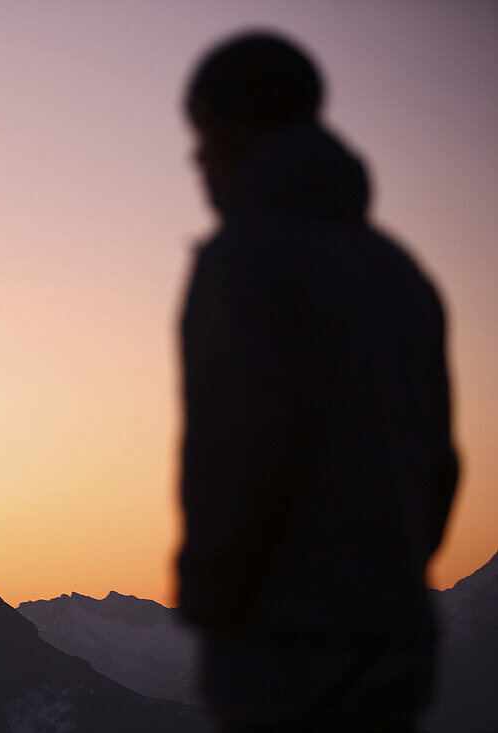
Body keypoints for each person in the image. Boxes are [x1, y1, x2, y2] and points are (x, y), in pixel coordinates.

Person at [176, 32, 458, 731]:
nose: (195, 158)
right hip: (394, 640)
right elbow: (440, 465)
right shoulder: (402, 272)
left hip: (279, 644)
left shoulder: (242, 257)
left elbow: (240, 446)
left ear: (235, 132)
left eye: (202, 134)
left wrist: (211, 592)